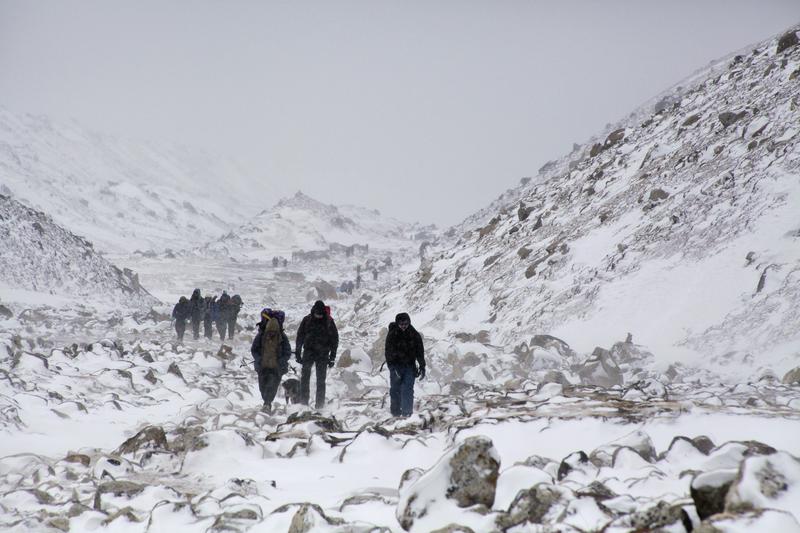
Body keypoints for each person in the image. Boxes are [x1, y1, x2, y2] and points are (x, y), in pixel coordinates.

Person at [296, 300, 339, 409]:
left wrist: (332, 357)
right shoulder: (307, 320)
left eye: (320, 314)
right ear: (313, 311)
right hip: (308, 352)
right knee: (305, 378)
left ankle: (319, 406)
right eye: (317, 314)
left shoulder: (329, 321)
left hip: (323, 355)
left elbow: (335, 340)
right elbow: (300, 336)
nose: (319, 316)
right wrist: (297, 352)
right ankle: (304, 404)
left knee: (321, 381)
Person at [384, 312, 425, 417]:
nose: (403, 327)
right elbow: (388, 353)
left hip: (409, 367)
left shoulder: (414, 335)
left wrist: (422, 366)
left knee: (407, 389)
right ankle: (395, 413)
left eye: (406, 324)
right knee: (395, 389)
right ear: (397, 323)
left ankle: (407, 413)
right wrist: (392, 368)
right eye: (401, 324)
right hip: (396, 366)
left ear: (409, 323)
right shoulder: (392, 334)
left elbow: (420, 352)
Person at [250, 308, 290, 413]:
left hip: (275, 368)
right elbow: (254, 349)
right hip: (263, 366)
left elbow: (287, 352)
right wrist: (259, 359)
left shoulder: (281, 337)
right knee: (263, 386)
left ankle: (267, 403)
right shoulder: (261, 336)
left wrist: (281, 362)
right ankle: (266, 402)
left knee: (271, 386)